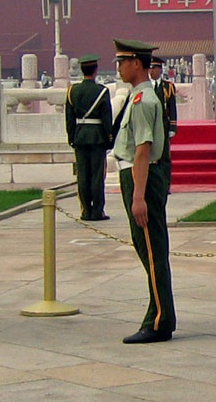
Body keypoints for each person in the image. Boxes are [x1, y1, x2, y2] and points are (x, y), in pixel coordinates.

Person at [112, 39, 175, 344]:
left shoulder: (143, 101)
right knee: (150, 252)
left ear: (136, 63)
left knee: (152, 253)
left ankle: (160, 321)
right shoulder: (142, 96)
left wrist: (138, 197)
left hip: (141, 180)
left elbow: (142, 151)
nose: (119, 67)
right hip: (142, 178)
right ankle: (157, 314)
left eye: (122, 62)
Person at [65, 54, 113, 221]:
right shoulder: (102, 91)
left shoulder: (73, 91)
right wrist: (109, 137)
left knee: (83, 175)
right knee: (97, 176)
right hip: (97, 137)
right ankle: (97, 210)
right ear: (95, 70)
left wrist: (71, 137)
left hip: (79, 136)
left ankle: (85, 210)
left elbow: (69, 118)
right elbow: (107, 118)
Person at [149, 57, 178, 141]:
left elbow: (172, 107)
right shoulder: (145, 86)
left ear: (160, 70)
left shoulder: (168, 86)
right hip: (149, 123)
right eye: (150, 69)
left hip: (163, 123)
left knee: (164, 150)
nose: (151, 71)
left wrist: (173, 126)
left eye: (154, 68)